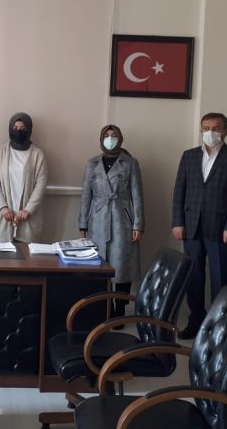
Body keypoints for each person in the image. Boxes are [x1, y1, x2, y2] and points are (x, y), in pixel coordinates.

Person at [171, 112, 227, 340]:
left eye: (216, 128)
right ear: (200, 129)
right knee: (193, 278)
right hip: (191, 227)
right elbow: (179, 191)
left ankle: (219, 327)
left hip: (221, 230)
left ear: (226, 131)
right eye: (206, 128)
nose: (210, 132)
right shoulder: (189, 156)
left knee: (221, 280)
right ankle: (196, 321)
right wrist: (177, 221)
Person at [79, 125, 144, 319]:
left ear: (120, 138)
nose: (110, 139)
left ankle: (120, 307)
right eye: (106, 136)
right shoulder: (92, 163)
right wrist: (83, 223)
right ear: (100, 138)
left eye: (113, 135)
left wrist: (138, 224)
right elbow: (85, 196)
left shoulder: (130, 163)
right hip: (97, 219)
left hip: (122, 219)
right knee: (98, 264)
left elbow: (137, 196)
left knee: (122, 264)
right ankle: (101, 306)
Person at [0, 112, 48, 243]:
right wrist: (3, 207)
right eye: (15, 128)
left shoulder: (38, 154)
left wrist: (28, 209)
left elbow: (41, 185)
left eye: (22, 128)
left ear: (29, 130)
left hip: (28, 219)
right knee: (2, 254)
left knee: (26, 255)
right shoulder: (0, 152)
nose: (18, 131)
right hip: (3, 218)